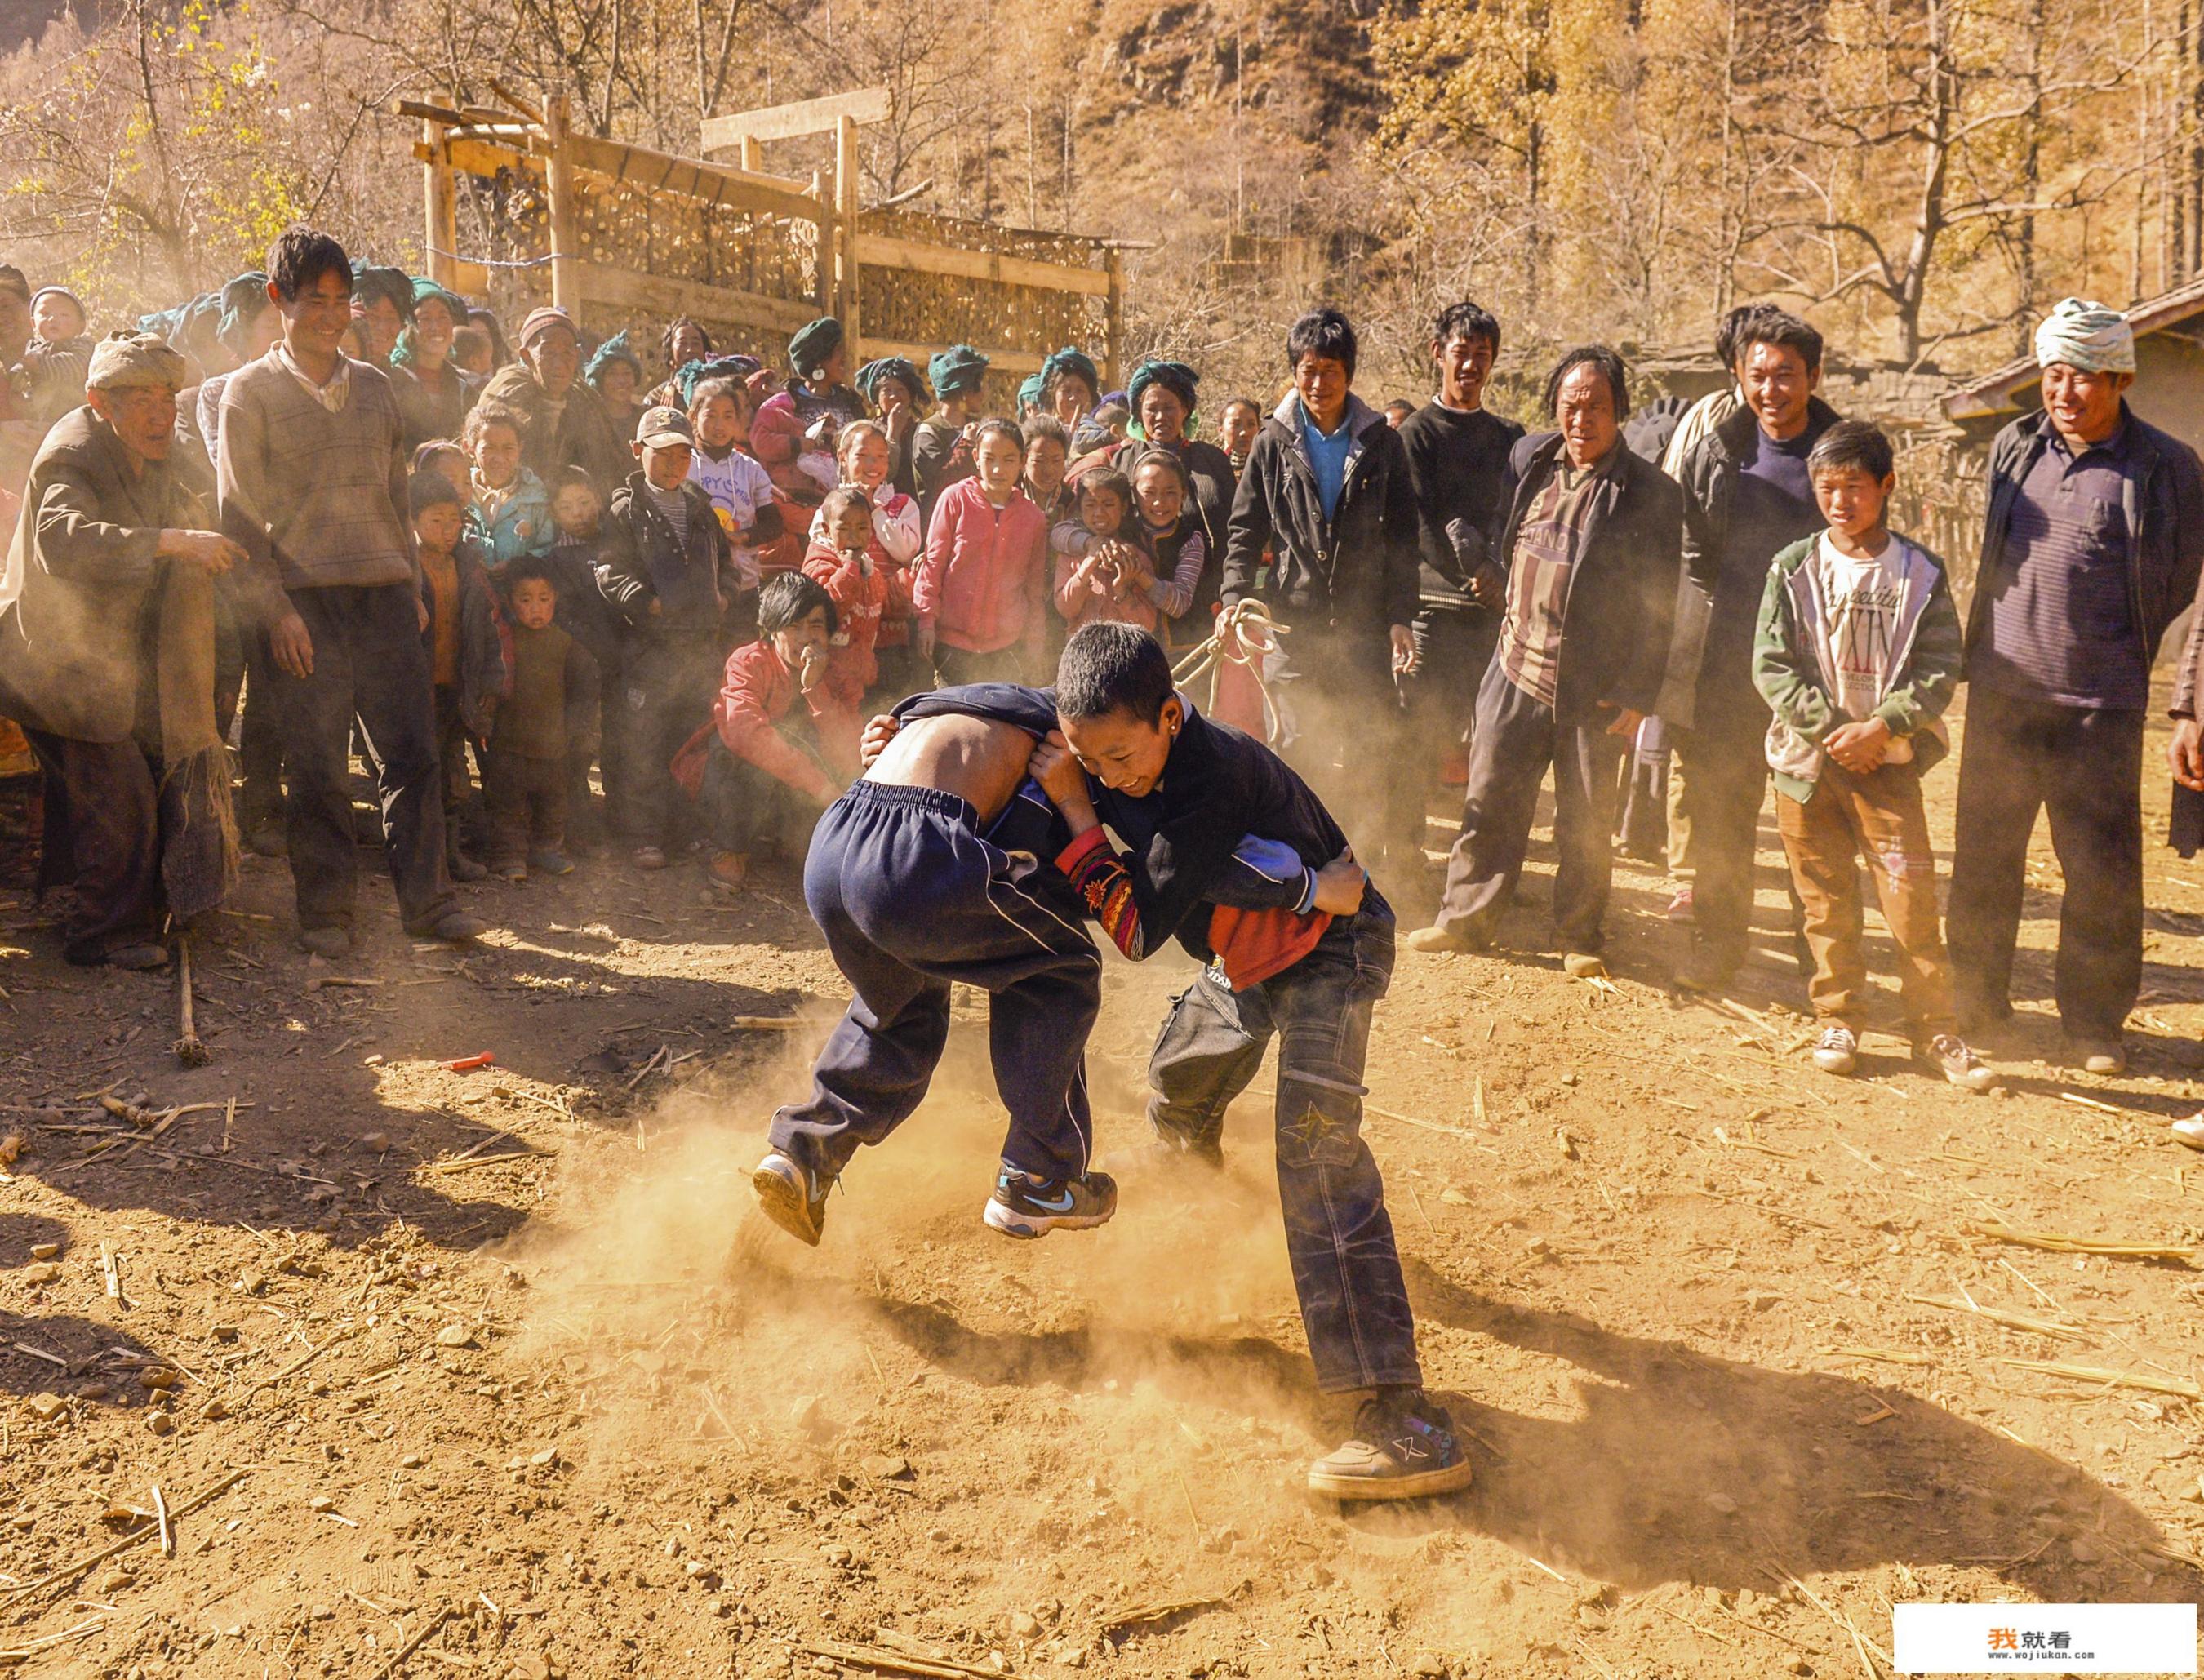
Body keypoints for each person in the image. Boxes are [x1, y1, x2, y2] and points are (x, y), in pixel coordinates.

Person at [993, 622, 1475, 1500]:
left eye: (1120, 757)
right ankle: (1208, 1211)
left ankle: (1405, 1421)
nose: (1105, 776)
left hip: (1336, 950)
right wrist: (902, 725)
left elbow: (1135, 932)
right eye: (1088, 759)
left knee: (1316, 1158)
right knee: (1179, 1090)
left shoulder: (1207, 778)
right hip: (1250, 960)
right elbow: (988, 705)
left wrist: (1072, 808)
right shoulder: (1107, 736)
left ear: (1171, 717)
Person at [749, 688, 1111, 1249]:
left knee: (900, 1008)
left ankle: (803, 1155)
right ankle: (1039, 1175)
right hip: (911, 851)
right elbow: (1065, 861)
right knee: (1063, 965)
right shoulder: (1063, 739)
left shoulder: (957, 706)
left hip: (836, 842)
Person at [216, 228, 483, 954]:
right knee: (318, 765)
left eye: (342, 301)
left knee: (412, 754)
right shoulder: (250, 394)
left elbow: (395, 492)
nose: (331, 316)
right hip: (306, 606)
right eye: (314, 301)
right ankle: (327, 913)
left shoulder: (374, 387)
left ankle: (429, 905)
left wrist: (412, 580)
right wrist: (275, 611)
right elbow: (239, 517)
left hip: (385, 597)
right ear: (280, 301)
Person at [1953, 300, 2204, 1073]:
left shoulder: (2168, 467)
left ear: (2121, 376)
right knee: (1984, 857)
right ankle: (1975, 1004)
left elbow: (2190, 587)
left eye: (2083, 376)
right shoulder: (2013, 445)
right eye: (2053, 373)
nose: (2064, 391)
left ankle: (2093, 1024)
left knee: (2098, 872)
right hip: (2002, 692)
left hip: (2101, 702)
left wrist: (2168, 685)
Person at [1403, 345, 1681, 973]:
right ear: (1556, 407)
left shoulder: (1651, 494)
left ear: (1620, 413)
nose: (1582, 419)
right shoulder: (1530, 458)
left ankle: (1578, 938)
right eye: (1571, 405)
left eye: (1597, 407)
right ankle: (1467, 920)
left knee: (1584, 820)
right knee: (1490, 798)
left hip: (1593, 685)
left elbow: (1663, 603)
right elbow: (1508, 530)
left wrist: (1639, 692)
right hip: (1515, 662)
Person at [1750, 421, 1993, 1091]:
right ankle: (1840, 1017)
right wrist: (1832, 729)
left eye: (1855, 487)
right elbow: (1770, 665)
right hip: (1807, 767)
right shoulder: (1793, 566)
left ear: (1886, 486)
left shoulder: (1919, 572)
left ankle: (1935, 1027)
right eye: (1827, 487)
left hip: (1886, 769)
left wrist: (1883, 727)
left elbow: (1942, 665)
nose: (1841, 501)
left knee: (1910, 899)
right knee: (1825, 900)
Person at [0, 331, 246, 969]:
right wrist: (168, 539)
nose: (158, 411)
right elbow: (63, 540)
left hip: (100, 662)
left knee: (101, 789)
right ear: (98, 401)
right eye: (138, 398)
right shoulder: (74, 452)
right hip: (53, 661)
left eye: (166, 396)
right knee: (122, 793)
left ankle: (78, 903)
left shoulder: (153, 451)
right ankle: (101, 934)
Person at [1673, 308, 1840, 992]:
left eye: (1787, 375)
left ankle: (1824, 965)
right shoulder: (1721, 445)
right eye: (1759, 375)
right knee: (1720, 813)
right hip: (1728, 663)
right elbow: (1689, 547)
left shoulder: (1843, 451)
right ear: (1740, 376)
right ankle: (1718, 947)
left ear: (1814, 376)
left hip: (1815, 671)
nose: (1771, 390)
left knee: (1814, 822)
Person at [1221, 308, 1419, 868]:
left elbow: (1405, 537)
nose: (1318, 383)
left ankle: (1357, 865)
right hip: (1295, 625)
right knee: (1296, 750)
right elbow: (1245, 527)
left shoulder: (1382, 443)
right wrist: (1236, 597)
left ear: (1349, 374)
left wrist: (1401, 615)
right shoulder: (1273, 442)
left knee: (1363, 746)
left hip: (1362, 629)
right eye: (1307, 370)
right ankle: (1298, 865)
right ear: (1294, 373)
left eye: (1329, 370)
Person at [1391, 302, 1525, 870]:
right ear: (1437, 355)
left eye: (1481, 355)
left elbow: (1518, 515)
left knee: (1495, 743)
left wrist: (1500, 573)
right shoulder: (1414, 435)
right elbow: (1418, 521)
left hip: (1497, 615)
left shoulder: (1510, 438)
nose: (1470, 365)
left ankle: (1485, 864)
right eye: (1461, 353)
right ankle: (1404, 856)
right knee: (1420, 735)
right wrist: (1473, 574)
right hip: (1434, 613)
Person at [596, 404, 734, 869]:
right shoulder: (624, 510)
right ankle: (643, 835)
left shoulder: (700, 508)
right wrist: (646, 602)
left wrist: (725, 595)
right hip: (649, 649)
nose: (674, 464)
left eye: (682, 455)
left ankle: (687, 830)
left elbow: (727, 563)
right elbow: (609, 570)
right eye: (662, 454)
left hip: (698, 647)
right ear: (638, 451)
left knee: (690, 742)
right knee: (643, 743)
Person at [680, 570, 855, 896]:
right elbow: (744, 733)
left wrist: (815, 689)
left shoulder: (835, 671)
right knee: (733, 753)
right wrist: (818, 785)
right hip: (733, 781)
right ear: (771, 630)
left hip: (795, 785)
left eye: (816, 625)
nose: (806, 637)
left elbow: (847, 747)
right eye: (793, 625)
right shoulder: (748, 662)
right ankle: (728, 847)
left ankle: (790, 839)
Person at [410, 469, 505, 882]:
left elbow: (485, 629)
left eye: (455, 521)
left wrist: (490, 681)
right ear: (412, 521)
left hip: (453, 692)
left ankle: (449, 857)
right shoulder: (403, 572)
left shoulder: (467, 568)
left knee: (453, 776)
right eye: (436, 521)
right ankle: (419, 864)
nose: (448, 531)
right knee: (415, 777)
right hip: (414, 695)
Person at [483, 555, 598, 882]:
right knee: (508, 804)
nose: (536, 609)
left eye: (544, 599)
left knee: (553, 803)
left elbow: (582, 690)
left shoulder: (565, 645)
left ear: (555, 600)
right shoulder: (504, 641)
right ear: (510, 602)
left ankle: (547, 849)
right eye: (525, 600)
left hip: (553, 744)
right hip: (509, 743)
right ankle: (509, 856)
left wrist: (575, 732)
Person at [914, 419, 1047, 685]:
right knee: (953, 720)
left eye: (1009, 460)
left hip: (1006, 647)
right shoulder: (955, 499)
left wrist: (1035, 641)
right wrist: (926, 621)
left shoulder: (1033, 518)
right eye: (990, 458)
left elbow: (1034, 587)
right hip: (952, 643)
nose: (998, 469)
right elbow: (934, 562)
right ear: (976, 457)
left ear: (1022, 461)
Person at [544, 467, 621, 850]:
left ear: (599, 500)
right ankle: (577, 824)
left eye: (585, 502)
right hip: (579, 664)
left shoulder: (617, 542)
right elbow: (564, 613)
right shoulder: (557, 558)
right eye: (566, 506)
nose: (578, 512)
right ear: (554, 513)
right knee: (578, 745)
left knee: (620, 743)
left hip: (624, 660)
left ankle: (622, 818)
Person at [478, 306, 630, 494]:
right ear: (527, 356)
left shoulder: (586, 401)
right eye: (548, 352)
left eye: (567, 353)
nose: (559, 364)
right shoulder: (506, 393)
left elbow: (607, 467)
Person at [802, 485, 901, 713]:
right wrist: (850, 568)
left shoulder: (870, 571)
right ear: (827, 530)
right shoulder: (819, 562)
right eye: (844, 528)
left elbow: (877, 612)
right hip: (826, 682)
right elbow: (827, 610)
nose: (854, 536)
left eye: (862, 527)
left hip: (858, 680)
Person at [687, 376, 781, 592]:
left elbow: (773, 524)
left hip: (743, 583)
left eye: (728, 416)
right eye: (710, 415)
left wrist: (742, 537)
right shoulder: (682, 465)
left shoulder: (750, 469)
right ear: (693, 417)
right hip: (695, 583)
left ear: (738, 420)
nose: (719, 425)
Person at [752, 317, 865, 482]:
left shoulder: (850, 400)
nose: (844, 358)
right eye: (838, 352)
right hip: (802, 489)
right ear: (820, 362)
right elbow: (771, 445)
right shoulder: (786, 401)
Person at [1053, 465, 1157, 633]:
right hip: (1083, 654)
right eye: (1090, 505)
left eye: (1108, 504)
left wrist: (1122, 589)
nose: (1099, 513)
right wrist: (1088, 564)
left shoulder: (1135, 558)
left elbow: (1148, 626)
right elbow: (1066, 609)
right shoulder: (1070, 557)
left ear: (1123, 508)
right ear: (1080, 508)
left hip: (1125, 655)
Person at [389, 279, 481, 455]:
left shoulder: (464, 391)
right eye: (425, 318)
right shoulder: (391, 382)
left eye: (443, 317)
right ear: (408, 325)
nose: (436, 327)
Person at [464, 404, 552, 569]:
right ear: (471, 448)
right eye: (489, 448)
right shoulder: (460, 492)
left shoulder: (536, 495)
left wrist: (517, 566)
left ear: (520, 448)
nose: (499, 458)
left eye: (509, 448)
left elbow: (548, 547)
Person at [914, 344, 989, 518]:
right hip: (942, 521)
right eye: (978, 387)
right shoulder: (929, 432)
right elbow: (940, 483)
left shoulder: (979, 427)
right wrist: (967, 445)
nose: (983, 394)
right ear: (964, 391)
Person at [855, 354, 926, 500]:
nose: (894, 396)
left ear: (911, 396)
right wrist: (894, 432)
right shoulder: (868, 433)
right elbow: (880, 477)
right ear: (876, 398)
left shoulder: (922, 431)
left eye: (901, 390)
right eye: (887, 390)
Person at [584, 330, 644, 439]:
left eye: (627, 373)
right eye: (612, 374)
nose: (621, 381)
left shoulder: (646, 419)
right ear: (601, 380)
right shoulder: (588, 422)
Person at [349, 265, 413, 367]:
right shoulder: (333, 373)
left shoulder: (404, 380)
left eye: (391, 319)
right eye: (372, 316)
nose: (382, 327)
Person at [1040, 346, 1100, 430]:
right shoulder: (1042, 434)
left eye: (1080, 391)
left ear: (1091, 397)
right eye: (1066, 390)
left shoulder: (1103, 435)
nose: (1073, 398)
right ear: (1053, 396)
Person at [1218, 397, 1262, 479]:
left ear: (1259, 429)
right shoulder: (1210, 466)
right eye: (1236, 424)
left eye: (1251, 425)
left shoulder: (1268, 467)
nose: (1244, 433)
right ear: (1221, 431)